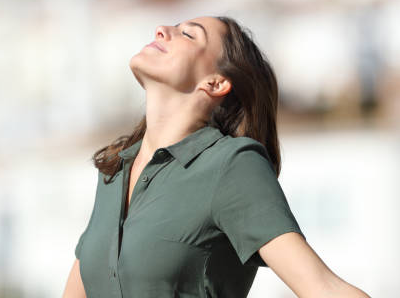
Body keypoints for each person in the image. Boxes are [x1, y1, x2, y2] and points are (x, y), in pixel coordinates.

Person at [62, 16, 371, 298]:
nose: (161, 30)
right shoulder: (114, 171)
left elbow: (323, 287)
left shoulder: (232, 165)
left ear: (215, 82)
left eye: (187, 34)